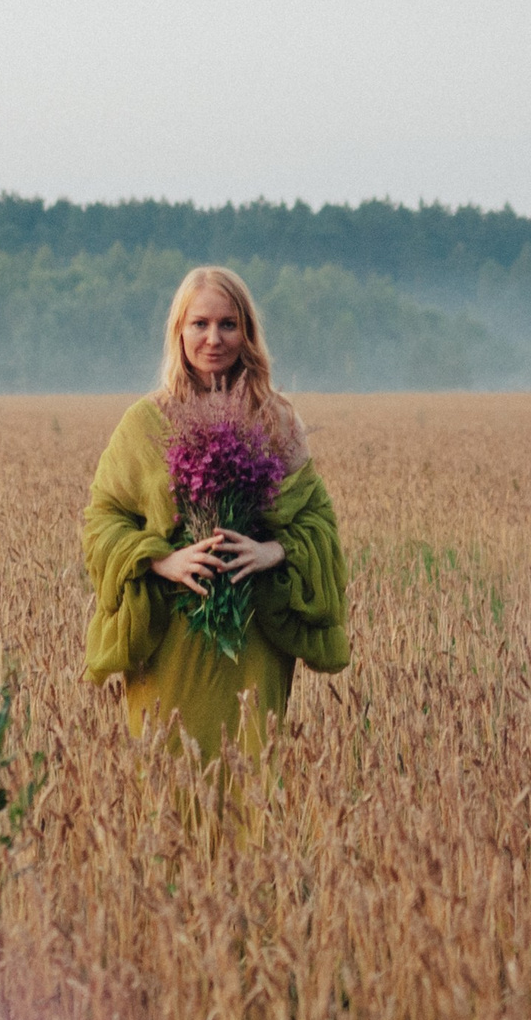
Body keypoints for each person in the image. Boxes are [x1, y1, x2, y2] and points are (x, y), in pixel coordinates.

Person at [81, 266, 350, 758]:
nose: (213, 338)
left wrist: (272, 551)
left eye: (228, 324)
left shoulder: (277, 419)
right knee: (167, 775)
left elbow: (319, 524)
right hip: (169, 636)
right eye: (199, 324)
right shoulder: (144, 422)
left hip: (254, 636)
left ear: (247, 332)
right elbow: (103, 523)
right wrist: (162, 560)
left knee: (250, 771)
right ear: (179, 331)